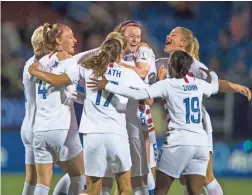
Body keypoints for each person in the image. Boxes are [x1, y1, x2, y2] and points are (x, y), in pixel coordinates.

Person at [87, 50, 219, 195]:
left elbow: (138, 94)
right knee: (196, 192)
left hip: (179, 142)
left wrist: (108, 86)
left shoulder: (168, 84)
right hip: (201, 144)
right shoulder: (198, 84)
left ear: (171, 65)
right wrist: (212, 74)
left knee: (160, 190)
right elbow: (215, 87)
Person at [157, 26, 251, 195]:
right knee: (187, 179)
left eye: (173, 34)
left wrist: (234, 86)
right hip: (180, 128)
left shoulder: (192, 64)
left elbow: (214, 81)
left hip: (197, 124)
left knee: (206, 178)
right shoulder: (163, 63)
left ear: (183, 43)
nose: (168, 36)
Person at [28, 23, 85, 195]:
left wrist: (35, 71)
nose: (75, 40)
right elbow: (59, 81)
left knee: (43, 183)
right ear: (58, 41)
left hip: (39, 130)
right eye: (70, 37)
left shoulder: (42, 62)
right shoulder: (71, 64)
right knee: (80, 175)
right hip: (61, 129)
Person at [113, 20, 157, 195]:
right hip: (117, 119)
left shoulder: (143, 51)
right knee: (121, 178)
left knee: (143, 174)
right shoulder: (113, 53)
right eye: (130, 36)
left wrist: (118, 64)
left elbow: (143, 73)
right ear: (120, 35)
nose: (135, 40)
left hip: (140, 116)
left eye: (137, 36)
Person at [21, 25, 51, 195]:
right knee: (45, 179)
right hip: (40, 127)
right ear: (40, 48)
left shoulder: (28, 64)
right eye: (50, 42)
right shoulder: (44, 66)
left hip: (28, 126)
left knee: (32, 177)